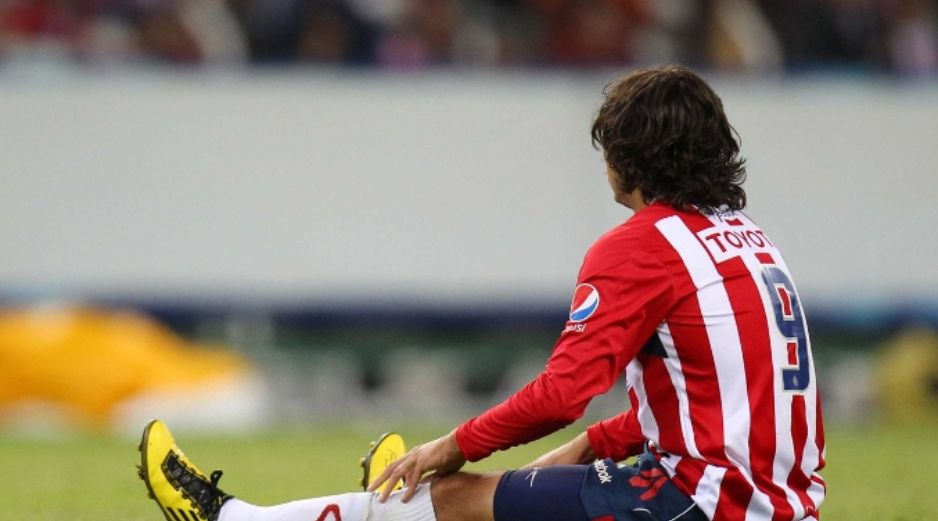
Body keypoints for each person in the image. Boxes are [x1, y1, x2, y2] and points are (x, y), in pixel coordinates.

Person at [137, 65, 825, 521]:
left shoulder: (644, 246)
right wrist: (591, 444)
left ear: (631, 155)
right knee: (465, 503)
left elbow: (561, 392)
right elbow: (730, 405)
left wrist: (451, 446)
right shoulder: (749, 240)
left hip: (701, 502)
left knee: (450, 498)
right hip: (783, 503)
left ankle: (228, 516)